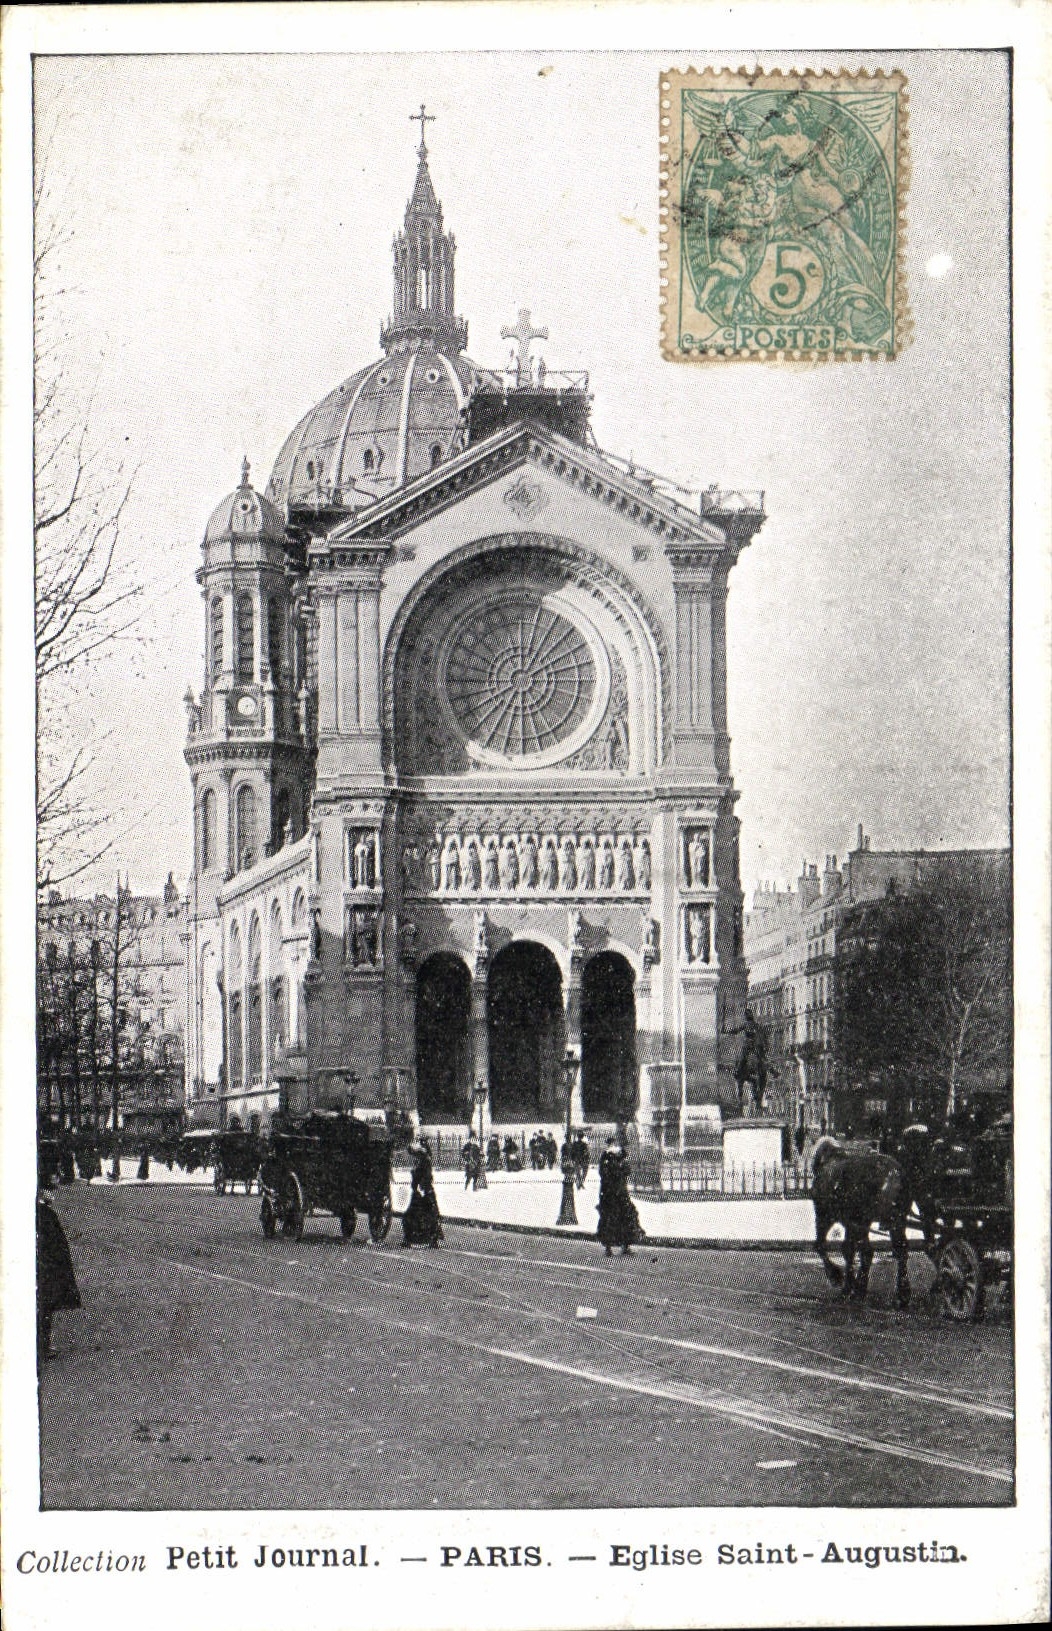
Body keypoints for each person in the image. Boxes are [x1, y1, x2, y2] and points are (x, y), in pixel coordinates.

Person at [37, 1190, 81, 1363]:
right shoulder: (45, 1215)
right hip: (44, 1268)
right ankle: (41, 1346)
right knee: (43, 1303)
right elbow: (57, 1248)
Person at [596, 1137, 643, 1256]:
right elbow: (604, 1173)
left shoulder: (621, 1158)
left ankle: (626, 1245)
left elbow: (627, 1171)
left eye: (614, 1144)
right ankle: (608, 1247)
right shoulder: (605, 1157)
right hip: (610, 1193)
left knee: (626, 1216)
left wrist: (620, 1165)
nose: (613, 1146)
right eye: (611, 1144)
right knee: (610, 1217)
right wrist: (617, 1168)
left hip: (621, 1192)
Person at [402, 1141, 443, 1248]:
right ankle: (431, 1238)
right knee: (430, 1214)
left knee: (413, 1216)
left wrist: (415, 1178)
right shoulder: (424, 1161)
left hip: (422, 1192)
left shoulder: (423, 1163)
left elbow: (420, 1179)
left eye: (415, 1154)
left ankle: (413, 1239)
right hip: (425, 1191)